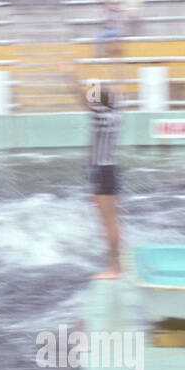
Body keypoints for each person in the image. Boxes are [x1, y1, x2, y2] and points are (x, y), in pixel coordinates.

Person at [63, 62, 122, 279]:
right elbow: (117, 86)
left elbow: (83, 98)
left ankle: (114, 268)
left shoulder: (101, 116)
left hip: (102, 171)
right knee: (112, 221)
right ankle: (116, 264)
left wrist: (71, 76)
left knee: (108, 223)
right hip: (109, 169)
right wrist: (116, 59)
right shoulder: (116, 110)